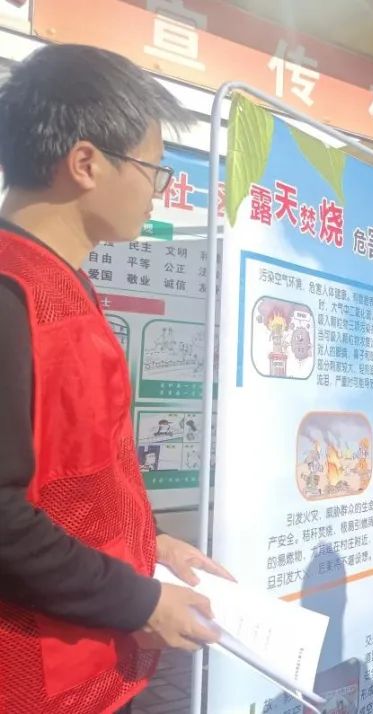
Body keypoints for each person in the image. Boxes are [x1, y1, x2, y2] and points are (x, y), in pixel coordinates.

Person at [0, 45, 230, 713]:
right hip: (37, 681)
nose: (159, 189)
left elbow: (75, 479)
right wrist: (141, 601)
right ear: (85, 163)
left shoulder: (59, 281)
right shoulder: (11, 295)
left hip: (92, 667)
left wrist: (150, 545)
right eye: (152, 168)